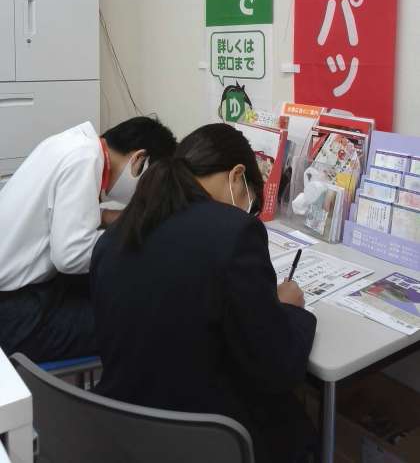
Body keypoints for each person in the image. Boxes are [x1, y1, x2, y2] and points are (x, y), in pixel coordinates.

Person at [91, 123, 317, 463]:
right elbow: (277, 367)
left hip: (122, 428)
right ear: (237, 176)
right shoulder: (235, 233)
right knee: (299, 425)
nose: (248, 211)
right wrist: (289, 309)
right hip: (205, 438)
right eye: (250, 201)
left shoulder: (118, 233)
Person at [0, 116, 176, 361]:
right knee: (138, 322)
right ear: (139, 159)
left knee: (114, 293)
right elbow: (70, 257)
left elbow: (57, 214)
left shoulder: (73, 144)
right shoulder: (85, 160)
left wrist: (104, 217)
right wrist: (134, 237)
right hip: (16, 313)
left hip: (23, 289)